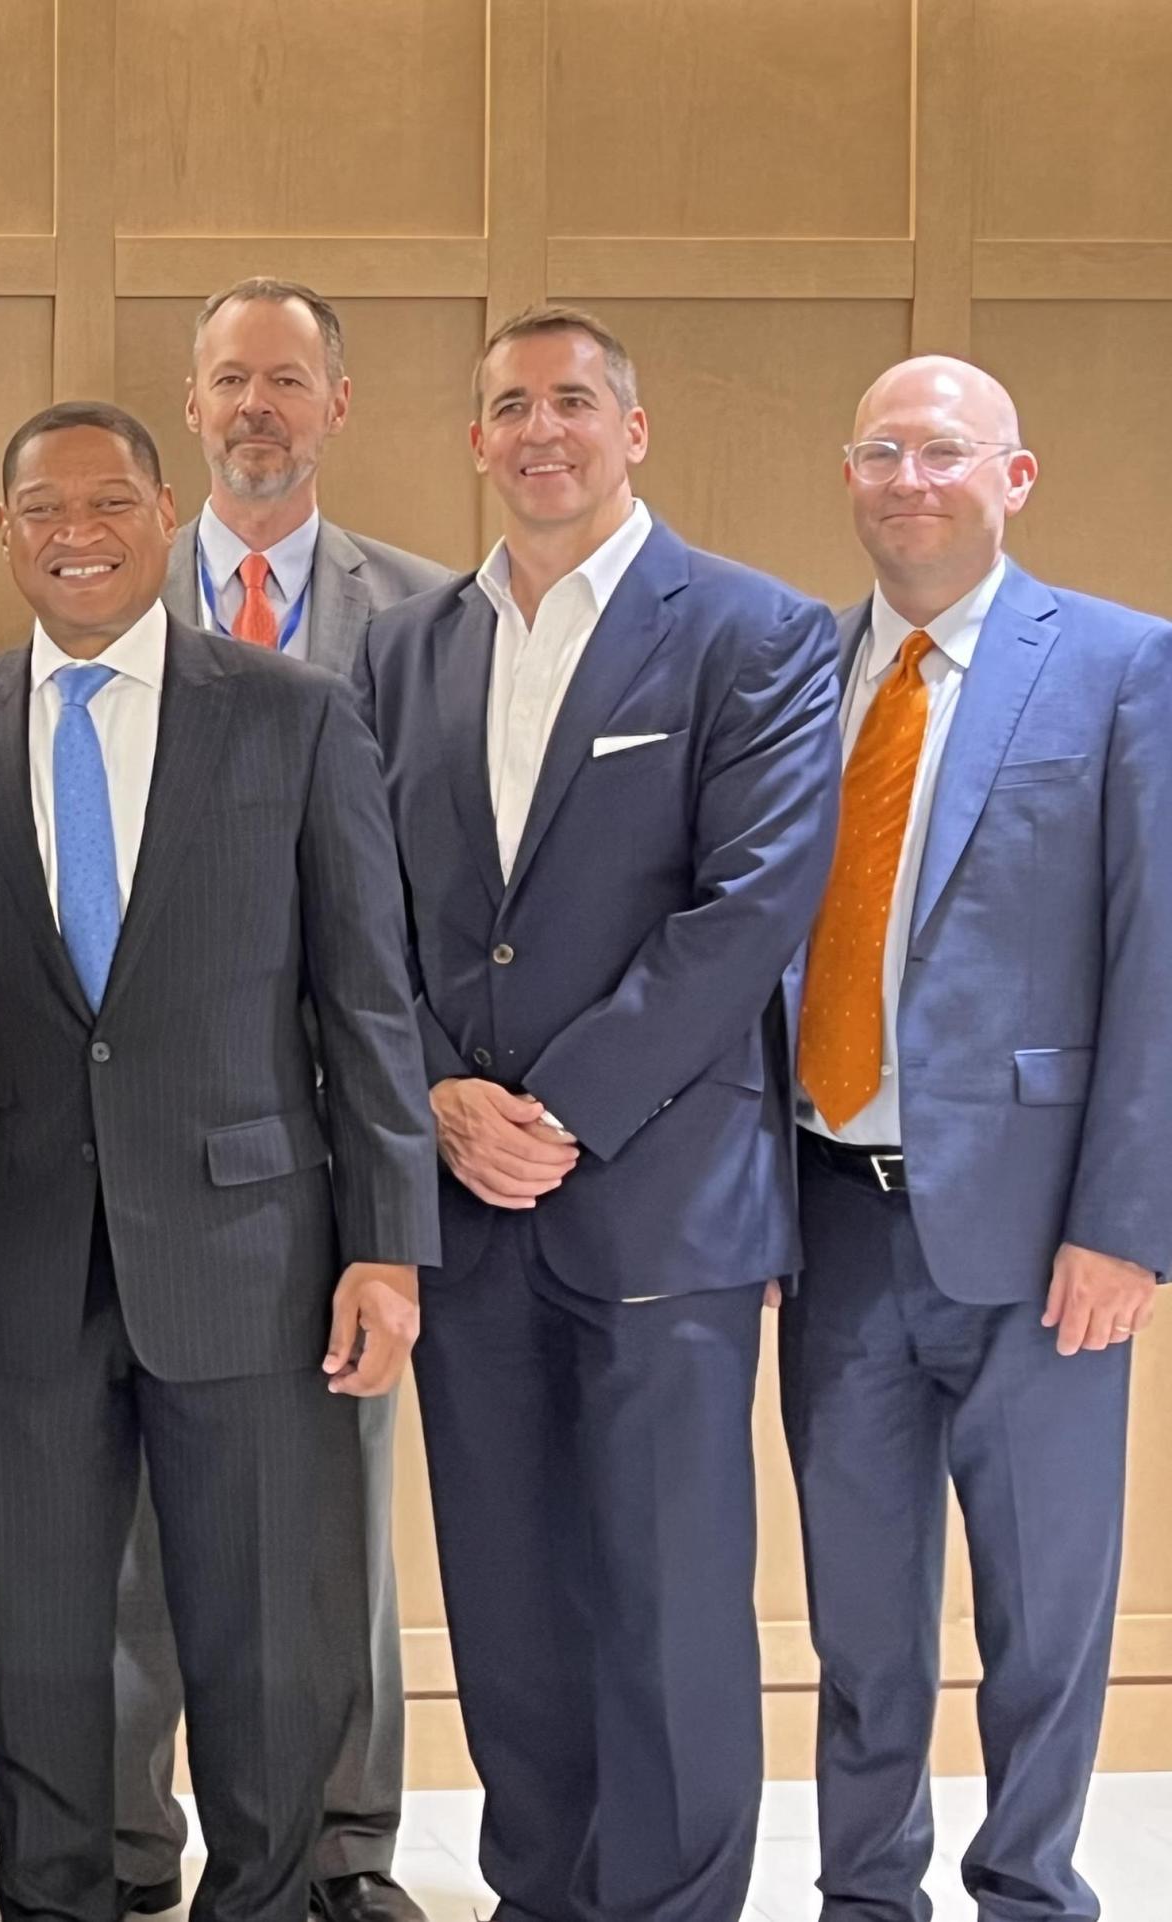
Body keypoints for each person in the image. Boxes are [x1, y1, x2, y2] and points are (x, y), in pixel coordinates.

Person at [0, 403, 438, 1922]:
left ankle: (260, 1899)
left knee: (265, 1636)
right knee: (48, 1644)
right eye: (43, 504)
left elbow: (366, 996)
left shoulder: (293, 711)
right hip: (19, 1265)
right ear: (4, 532)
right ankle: (55, 1896)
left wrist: (388, 1244)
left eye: (112, 498)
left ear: (165, 509)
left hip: (255, 1254)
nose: (79, 527)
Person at [350, 305, 841, 1922]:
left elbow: (748, 911)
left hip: (657, 1197)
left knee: (672, 1600)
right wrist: (434, 1092)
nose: (539, 430)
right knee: (505, 1602)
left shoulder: (755, 634)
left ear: (634, 430)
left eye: (572, 401)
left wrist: (550, 1109)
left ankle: (677, 1904)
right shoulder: (403, 648)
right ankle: (540, 1894)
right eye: (508, 406)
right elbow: (369, 916)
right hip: (466, 1202)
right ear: (475, 441)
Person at [779, 356, 1168, 1922]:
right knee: (860, 1620)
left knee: (1044, 1617)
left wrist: (1131, 1218)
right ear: (850, 476)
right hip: (834, 1221)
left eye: (944, 450)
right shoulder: (799, 673)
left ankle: (1033, 1890)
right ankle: (869, 1897)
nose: (909, 477)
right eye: (881, 449)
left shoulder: (1125, 666)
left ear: (1013, 476)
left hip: (1041, 1236)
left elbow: (1159, 957)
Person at [127, 277, 457, 1922]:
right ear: (189, 402)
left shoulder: (428, 616)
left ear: (343, 403)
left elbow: (446, 901)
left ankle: (340, 1849)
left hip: (343, 1144)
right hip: (146, 1147)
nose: (256, 406)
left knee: (337, 1520)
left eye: (288, 380)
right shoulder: (105, 602)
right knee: (126, 1532)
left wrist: (422, 1128)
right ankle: (129, 1841)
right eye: (229, 378)